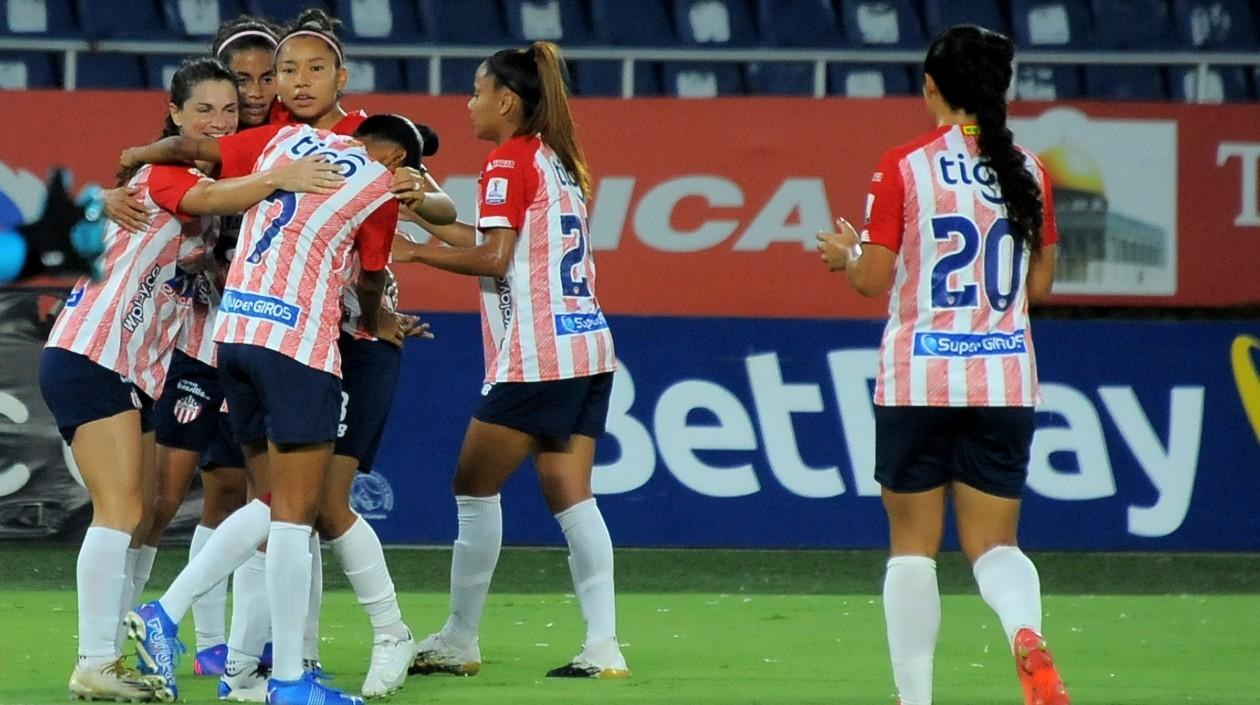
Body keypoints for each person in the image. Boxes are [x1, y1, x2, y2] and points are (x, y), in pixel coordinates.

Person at [41, 56, 341, 703]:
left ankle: (115, 648)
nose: (220, 119)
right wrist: (279, 176)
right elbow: (203, 196)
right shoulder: (171, 175)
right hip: (93, 351)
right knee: (121, 509)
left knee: (142, 509)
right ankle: (96, 659)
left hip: (124, 364)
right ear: (177, 115)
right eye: (204, 109)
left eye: (229, 110)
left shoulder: (180, 174)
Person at [815, 24, 1069, 705]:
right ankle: (1023, 629)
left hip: (919, 376)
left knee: (912, 546)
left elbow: (872, 278)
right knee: (995, 543)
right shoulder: (1032, 171)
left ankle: (916, 698)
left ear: (931, 88)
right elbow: (1039, 287)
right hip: (1004, 378)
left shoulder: (905, 165)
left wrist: (845, 255)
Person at [392, 41, 625, 680]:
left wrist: (414, 256)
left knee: (472, 485)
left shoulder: (505, 162)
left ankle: (461, 637)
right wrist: (427, 226)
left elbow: (494, 259)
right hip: (588, 347)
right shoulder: (557, 161)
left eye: (475, 92)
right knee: (572, 496)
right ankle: (603, 647)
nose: (468, 104)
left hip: (538, 356)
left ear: (506, 100)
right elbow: (503, 247)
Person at [133, 16, 286, 680]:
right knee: (161, 497)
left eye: (259, 79)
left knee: (245, 491)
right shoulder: (188, 152)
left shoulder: (284, 140)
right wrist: (126, 171)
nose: (249, 93)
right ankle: (122, 628)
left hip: (256, 342)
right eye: (235, 82)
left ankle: (226, 644)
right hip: (195, 343)